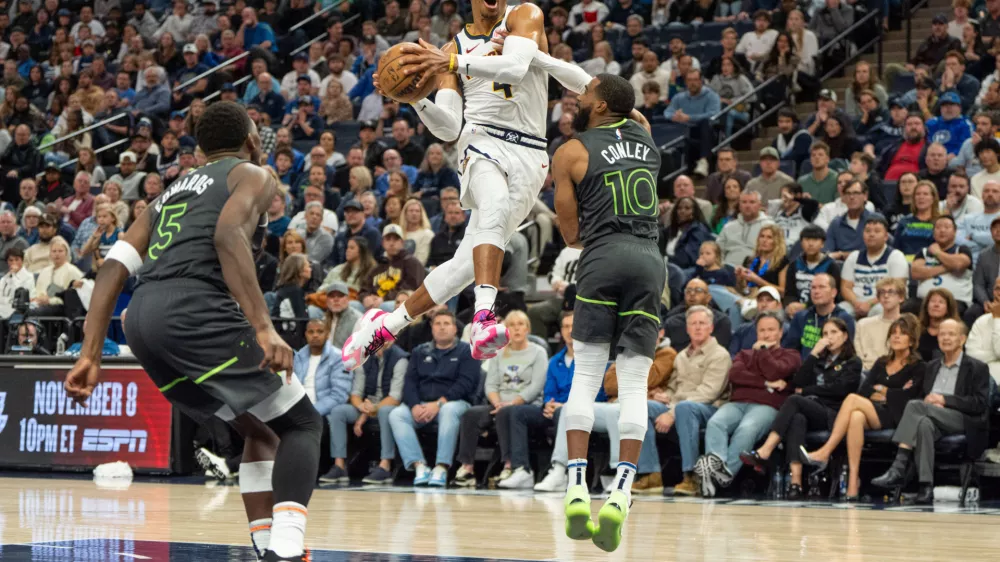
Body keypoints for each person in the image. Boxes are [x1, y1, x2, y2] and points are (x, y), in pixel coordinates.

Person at [63, 102, 322, 562]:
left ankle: (266, 547)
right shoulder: (253, 175)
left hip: (142, 321)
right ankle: (288, 550)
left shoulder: (170, 192)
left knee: (261, 431)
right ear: (250, 143)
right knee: (302, 422)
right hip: (196, 311)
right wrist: (264, 329)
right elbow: (227, 237)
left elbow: (111, 271)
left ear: (200, 151)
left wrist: (90, 354)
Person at [802, 315, 927, 500]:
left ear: (912, 340)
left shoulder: (919, 366)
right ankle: (853, 482)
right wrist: (889, 392)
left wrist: (883, 391)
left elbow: (909, 398)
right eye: (893, 333)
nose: (896, 337)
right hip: (874, 411)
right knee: (856, 417)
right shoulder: (882, 362)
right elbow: (865, 390)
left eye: (902, 334)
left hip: (899, 417)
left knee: (852, 400)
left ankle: (825, 451)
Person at [870, 319, 990, 504]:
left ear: (962, 339)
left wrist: (945, 400)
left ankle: (899, 466)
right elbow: (920, 395)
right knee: (924, 424)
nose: (946, 338)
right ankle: (926, 488)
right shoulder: (931, 366)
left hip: (962, 419)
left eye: (951, 334)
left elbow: (979, 403)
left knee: (915, 406)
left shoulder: (977, 367)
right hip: (933, 417)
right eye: (942, 334)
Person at [739, 317, 861, 498]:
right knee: (797, 418)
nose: (829, 337)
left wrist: (807, 390)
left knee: (795, 400)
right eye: (826, 333)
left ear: (845, 336)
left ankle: (766, 450)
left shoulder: (853, 362)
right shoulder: (819, 360)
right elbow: (798, 381)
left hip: (834, 414)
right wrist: (813, 354)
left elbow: (839, 390)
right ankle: (795, 482)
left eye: (834, 333)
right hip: (812, 409)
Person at [691, 311, 800, 497]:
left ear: (781, 333)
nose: (766, 334)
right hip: (737, 403)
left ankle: (719, 477)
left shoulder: (790, 355)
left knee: (747, 428)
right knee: (716, 423)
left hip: (767, 405)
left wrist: (764, 352)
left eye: (771, 330)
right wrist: (765, 383)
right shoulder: (744, 354)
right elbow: (735, 375)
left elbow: (775, 371)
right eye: (762, 330)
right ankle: (717, 473)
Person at [453, 311, 549, 487]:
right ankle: (467, 467)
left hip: (528, 406)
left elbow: (536, 387)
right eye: (511, 325)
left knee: (508, 412)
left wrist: (511, 403)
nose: (516, 328)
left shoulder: (539, 352)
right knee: (471, 414)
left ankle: (509, 465)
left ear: (527, 329)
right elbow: (490, 385)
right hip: (499, 404)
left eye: (520, 324)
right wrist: (497, 402)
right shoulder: (498, 353)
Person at [388, 309, 480, 487]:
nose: (442, 328)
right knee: (396, 414)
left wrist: (439, 403)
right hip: (423, 405)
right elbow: (410, 383)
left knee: (448, 410)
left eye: (447, 324)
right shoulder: (419, 352)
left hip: (454, 404)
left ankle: (441, 466)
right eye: (438, 324)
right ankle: (419, 465)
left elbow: (465, 384)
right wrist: (414, 405)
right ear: (431, 328)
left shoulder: (467, 352)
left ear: (455, 329)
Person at [657, 305, 734, 496]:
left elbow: (709, 393)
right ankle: (648, 473)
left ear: (711, 328)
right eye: (693, 324)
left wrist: (672, 411)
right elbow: (674, 387)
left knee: (685, 408)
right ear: (687, 328)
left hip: (709, 409)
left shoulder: (720, 355)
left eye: (702, 323)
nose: (698, 327)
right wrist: (664, 396)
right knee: (647, 407)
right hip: (679, 406)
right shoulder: (681, 355)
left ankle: (691, 476)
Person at [321, 339, 407, 485]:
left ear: (392, 338)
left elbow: (395, 397)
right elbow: (356, 393)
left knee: (385, 411)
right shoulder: (363, 357)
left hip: (387, 406)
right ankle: (339, 465)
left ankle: (385, 465)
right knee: (337, 411)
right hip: (366, 406)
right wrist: (362, 407)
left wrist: (369, 412)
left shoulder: (400, 359)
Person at [293, 319, 351, 481]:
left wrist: (311, 411)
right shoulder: (298, 356)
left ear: (327, 334)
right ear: (305, 334)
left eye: (320, 331)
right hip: (298, 407)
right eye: (311, 332)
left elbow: (339, 395)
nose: (315, 335)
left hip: (321, 410)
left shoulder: (338, 357)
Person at [909, 215, 973, 316]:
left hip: (955, 300)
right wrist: (947, 266)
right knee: (907, 307)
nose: (942, 230)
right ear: (933, 233)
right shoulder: (924, 252)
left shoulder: (962, 250)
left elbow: (959, 264)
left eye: (947, 227)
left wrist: (937, 253)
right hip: (925, 300)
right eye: (938, 227)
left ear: (955, 232)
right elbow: (915, 272)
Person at [782, 273, 856, 360]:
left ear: (833, 293)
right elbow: (789, 351)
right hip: (803, 370)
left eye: (822, 287)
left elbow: (845, 354)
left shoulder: (844, 319)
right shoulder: (800, 317)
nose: (816, 291)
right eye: (813, 288)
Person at [357, 224, 426, 310]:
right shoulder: (378, 267)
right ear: (383, 243)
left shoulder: (411, 262)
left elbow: (411, 288)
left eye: (396, 239)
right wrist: (365, 298)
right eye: (388, 239)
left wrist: (384, 299)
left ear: (402, 242)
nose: (392, 243)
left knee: (385, 306)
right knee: (353, 305)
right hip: (375, 303)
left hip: (400, 304)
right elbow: (364, 289)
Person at [781, 224, 841, 317]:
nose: (810, 244)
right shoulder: (794, 265)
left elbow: (834, 295)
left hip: (822, 309)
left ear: (823, 244)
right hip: (796, 309)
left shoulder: (831, 266)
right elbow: (789, 293)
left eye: (815, 240)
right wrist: (790, 305)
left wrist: (805, 306)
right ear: (801, 243)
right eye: (807, 239)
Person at [855, 278, 908, 372]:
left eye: (891, 292)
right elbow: (858, 356)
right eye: (882, 292)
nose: (886, 296)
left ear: (901, 297)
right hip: (865, 372)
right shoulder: (862, 324)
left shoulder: (908, 325)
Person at [717, 190, 774, 267]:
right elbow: (718, 251)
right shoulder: (728, 227)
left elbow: (776, 254)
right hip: (728, 270)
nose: (747, 206)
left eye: (752, 202)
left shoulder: (770, 226)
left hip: (756, 270)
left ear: (759, 205)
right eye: (744, 202)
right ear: (739, 205)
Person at [662, 197, 714, 270]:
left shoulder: (698, 230)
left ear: (694, 211)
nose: (682, 211)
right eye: (679, 208)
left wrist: (663, 261)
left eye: (687, 208)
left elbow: (687, 258)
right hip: (667, 267)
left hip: (687, 271)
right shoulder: (671, 230)